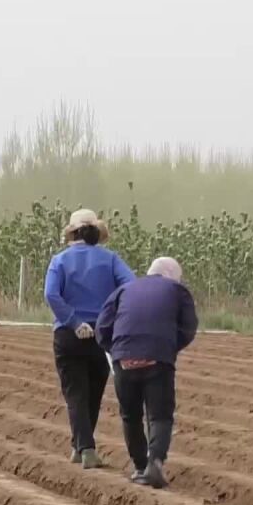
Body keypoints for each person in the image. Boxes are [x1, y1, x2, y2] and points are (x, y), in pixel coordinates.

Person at [44, 209, 135, 469]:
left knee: (76, 394)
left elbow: (51, 295)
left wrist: (73, 321)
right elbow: (130, 285)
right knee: (94, 393)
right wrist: (111, 313)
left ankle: (84, 448)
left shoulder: (59, 261)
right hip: (103, 334)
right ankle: (81, 446)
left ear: (72, 234)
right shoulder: (110, 259)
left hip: (68, 334)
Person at [96, 256, 198, 488]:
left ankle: (140, 466)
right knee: (160, 415)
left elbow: (102, 328)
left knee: (130, 415)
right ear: (172, 276)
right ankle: (155, 463)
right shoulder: (177, 291)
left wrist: (117, 350)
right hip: (158, 358)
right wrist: (168, 348)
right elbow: (188, 327)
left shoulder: (123, 289)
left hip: (124, 358)